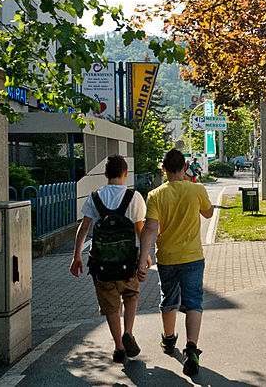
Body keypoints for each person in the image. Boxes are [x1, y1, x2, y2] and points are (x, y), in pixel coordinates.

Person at [138, 150, 214, 377]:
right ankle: (191, 350)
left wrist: (142, 261)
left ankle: (169, 340)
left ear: (163, 169)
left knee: (168, 299)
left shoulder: (155, 195)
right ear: (184, 168)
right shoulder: (196, 189)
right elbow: (209, 214)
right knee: (193, 302)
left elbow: (150, 229)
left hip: (167, 257)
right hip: (192, 256)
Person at [70, 155, 147, 363]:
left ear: (105, 175)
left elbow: (84, 228)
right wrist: (145, 257)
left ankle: (119, 347)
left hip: (102, 265)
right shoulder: (134, 197)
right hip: (127, 262)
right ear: (125, 173)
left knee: (111, 306)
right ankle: (128, 332)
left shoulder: (95, 197)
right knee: (130, 295)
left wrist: (77, 255)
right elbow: (140, 230)